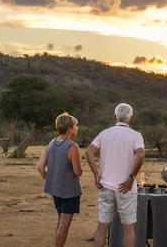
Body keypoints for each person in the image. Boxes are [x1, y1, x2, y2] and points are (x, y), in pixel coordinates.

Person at [86, 103, 145, 247]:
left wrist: (96, 175)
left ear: (115, 117)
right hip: (127, 188)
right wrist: (131, 178)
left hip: (106, 186)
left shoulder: (104, 133)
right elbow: (141, 154)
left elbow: (89, 152)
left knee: (102, 227)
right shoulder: (136, 135)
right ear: (131, 118)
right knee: (128, 228)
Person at [36, 112, 83, 247]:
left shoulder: (51, 143)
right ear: (69, 128)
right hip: (70, 192)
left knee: (60, 221)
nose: (77, 128)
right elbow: (77, 172)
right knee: (64, 224)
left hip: (55, 190)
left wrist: (50, 180)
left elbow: (40, 167)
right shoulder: (73, 147)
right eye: (75, 126)